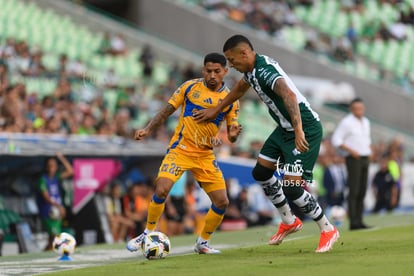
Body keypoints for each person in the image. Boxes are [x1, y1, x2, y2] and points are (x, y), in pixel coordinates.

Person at [194, 35, 339, 253]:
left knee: (291, 186)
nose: (230, 65)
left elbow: (288, 94)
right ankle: (289, 221)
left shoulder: (264, 71)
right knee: (261, 172)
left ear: (244, 53)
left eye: (231, 60)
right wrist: (216, 109)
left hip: (305, 128)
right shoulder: (251, 71)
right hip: (284, 129)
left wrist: (298, 130)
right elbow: (240, 89)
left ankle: (328, 228)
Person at [126, 52, 242, 254]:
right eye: (208, 71)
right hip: (181, 149)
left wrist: (233, 135)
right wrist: (147, 129)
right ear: (203, 70)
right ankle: (147, 233)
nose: (212, 75)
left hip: (205, 155)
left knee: (222, 201)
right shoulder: (189, 87)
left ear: (225, 71)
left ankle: (202, 242)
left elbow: (232, 134)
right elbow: (166, 111)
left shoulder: (230, 99)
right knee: (162, 189)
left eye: (217, 71)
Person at [331, 97, 372, 230]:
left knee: (362, 190)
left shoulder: (365, 121)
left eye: (361, 108)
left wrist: (369, 150)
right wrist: (350, 151)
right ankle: (353, 222)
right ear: (351, 109)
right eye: (356, 108)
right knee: (354, 190)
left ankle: (359, 220)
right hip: (353, 158)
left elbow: (366, 139)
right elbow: (336, 139)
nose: (359, 111)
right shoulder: (346, 122)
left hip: (365, 157)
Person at [36, 152, 73, 251]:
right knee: (55, 237)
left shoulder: (56, 178)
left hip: (56, 212)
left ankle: (43, 255)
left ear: (56, 166)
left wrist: (61, 158)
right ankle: (44, 255)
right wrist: (59, 207)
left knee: (52, 239)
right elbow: (46, 197)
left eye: (53, 165)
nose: (51, 167)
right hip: (48, 212)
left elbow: (70, 171)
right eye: (49, 165)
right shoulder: (43, 180)